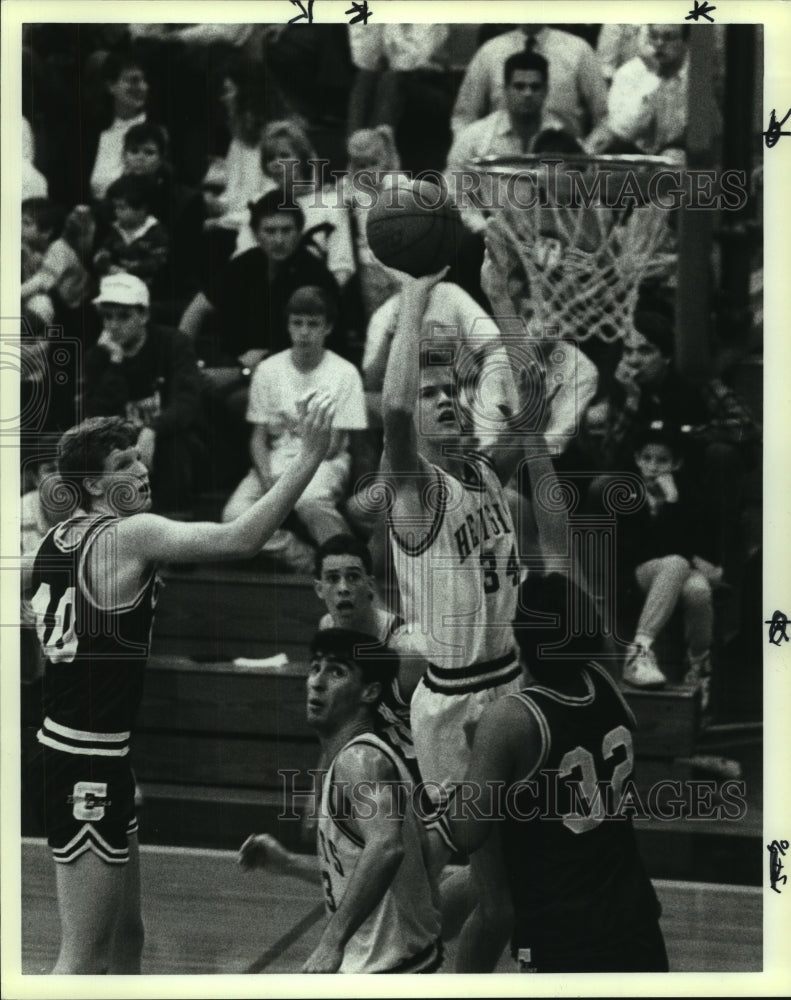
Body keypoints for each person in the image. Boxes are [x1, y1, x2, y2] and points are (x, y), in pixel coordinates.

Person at [22, 394, 335, 974]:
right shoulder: (131, 535)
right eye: (122, 465)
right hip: (84, 759)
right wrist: (310, 457)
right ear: (92, 487)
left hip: (85, 751)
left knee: (126, 938)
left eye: (138, 459)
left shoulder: (51, 541)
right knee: (82, 957)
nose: (140, 470)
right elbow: (240, 538)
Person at [443, 572, 669, 973]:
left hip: (561, 936)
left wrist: (475, 759)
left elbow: (467, 832)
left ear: (519, 638)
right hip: (635, 921)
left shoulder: (510, 720)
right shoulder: (603, 680)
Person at [239, 628, 443, 974]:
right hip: (403, 966)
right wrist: (289, 864)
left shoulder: (359, 761)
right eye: (315, 667)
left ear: (370, 692)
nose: (317, 682)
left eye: (336, 671)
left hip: (393, 973)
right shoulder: (360, 758)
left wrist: (331, 941)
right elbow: (389, 874)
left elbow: (387, 848)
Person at [222, 286, 367, 569]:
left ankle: (351, 565)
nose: (304, 332)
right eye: (297, 323)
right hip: (277, 459)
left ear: (328, 328)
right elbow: (258, 438)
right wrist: (268, 479)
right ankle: (309, 560)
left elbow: (333, 445)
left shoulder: (344, 372)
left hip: (324, 458)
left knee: (309, 499)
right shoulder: (268, 369)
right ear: (287, 325)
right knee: (234, 515)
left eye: (313, 324)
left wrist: (290, 481)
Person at [81, 273, 205, 516]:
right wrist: (115, 364)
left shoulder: (172, 343)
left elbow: (187, 401)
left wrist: (153, 429)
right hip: (121, 445)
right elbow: (96, 416)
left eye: (124, 316)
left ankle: (176, 522)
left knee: (174, 446)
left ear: (144, 315)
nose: (113, 325)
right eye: (107, 317)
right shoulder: (98, 357)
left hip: (171, 440)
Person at [179, 190, 340, 368]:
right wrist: (181, 361)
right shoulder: (247, 262)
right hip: (236, 362)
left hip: (292, 369)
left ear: (299, 232)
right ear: (256, 234)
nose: (279, 239)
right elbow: (198, 307)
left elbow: (310, 343)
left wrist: (243, 371)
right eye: (270, 231)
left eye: (286, 230)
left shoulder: (316, 275)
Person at [617, 422, 721, 696]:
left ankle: (700, 665)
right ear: (637, 460)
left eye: (662, 460)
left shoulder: (687, 497)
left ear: (676, 464)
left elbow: (693, 544)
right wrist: (693, 559)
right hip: (640, 573)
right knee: (676, 562)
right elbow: (640, 550)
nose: (653, 466)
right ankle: (638, 652)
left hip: (680, 571)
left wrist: (672, 501)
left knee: (698, 591)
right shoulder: (625, 495)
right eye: (647, 458)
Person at [445, 50, 579, 234]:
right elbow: (453, 194)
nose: (527, 93)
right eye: (519, 86)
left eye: (535, 87)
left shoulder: (564, 137)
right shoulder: (475, 137)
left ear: (546, 90)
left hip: (553, 240)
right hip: (490, 239)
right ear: (505, 90)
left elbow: (588, 197)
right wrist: (484, 228)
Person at [451, 24, 607, 142]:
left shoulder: (579, 50)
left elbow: (604, 117)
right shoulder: (490, 52)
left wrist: (584, 156)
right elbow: (464, 117)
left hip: (562, 159)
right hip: (498, 159)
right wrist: (471, 154)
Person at [93, 173, 169, 292]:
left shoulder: (156, 233)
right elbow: (103, 252)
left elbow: (159, 262)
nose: (117, 212)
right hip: (114, 282)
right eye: (116, 207)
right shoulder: (115, 229)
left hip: (142, 286)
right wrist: (108, 265)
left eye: (122, 208)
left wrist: (130, 270)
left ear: (142, 209)